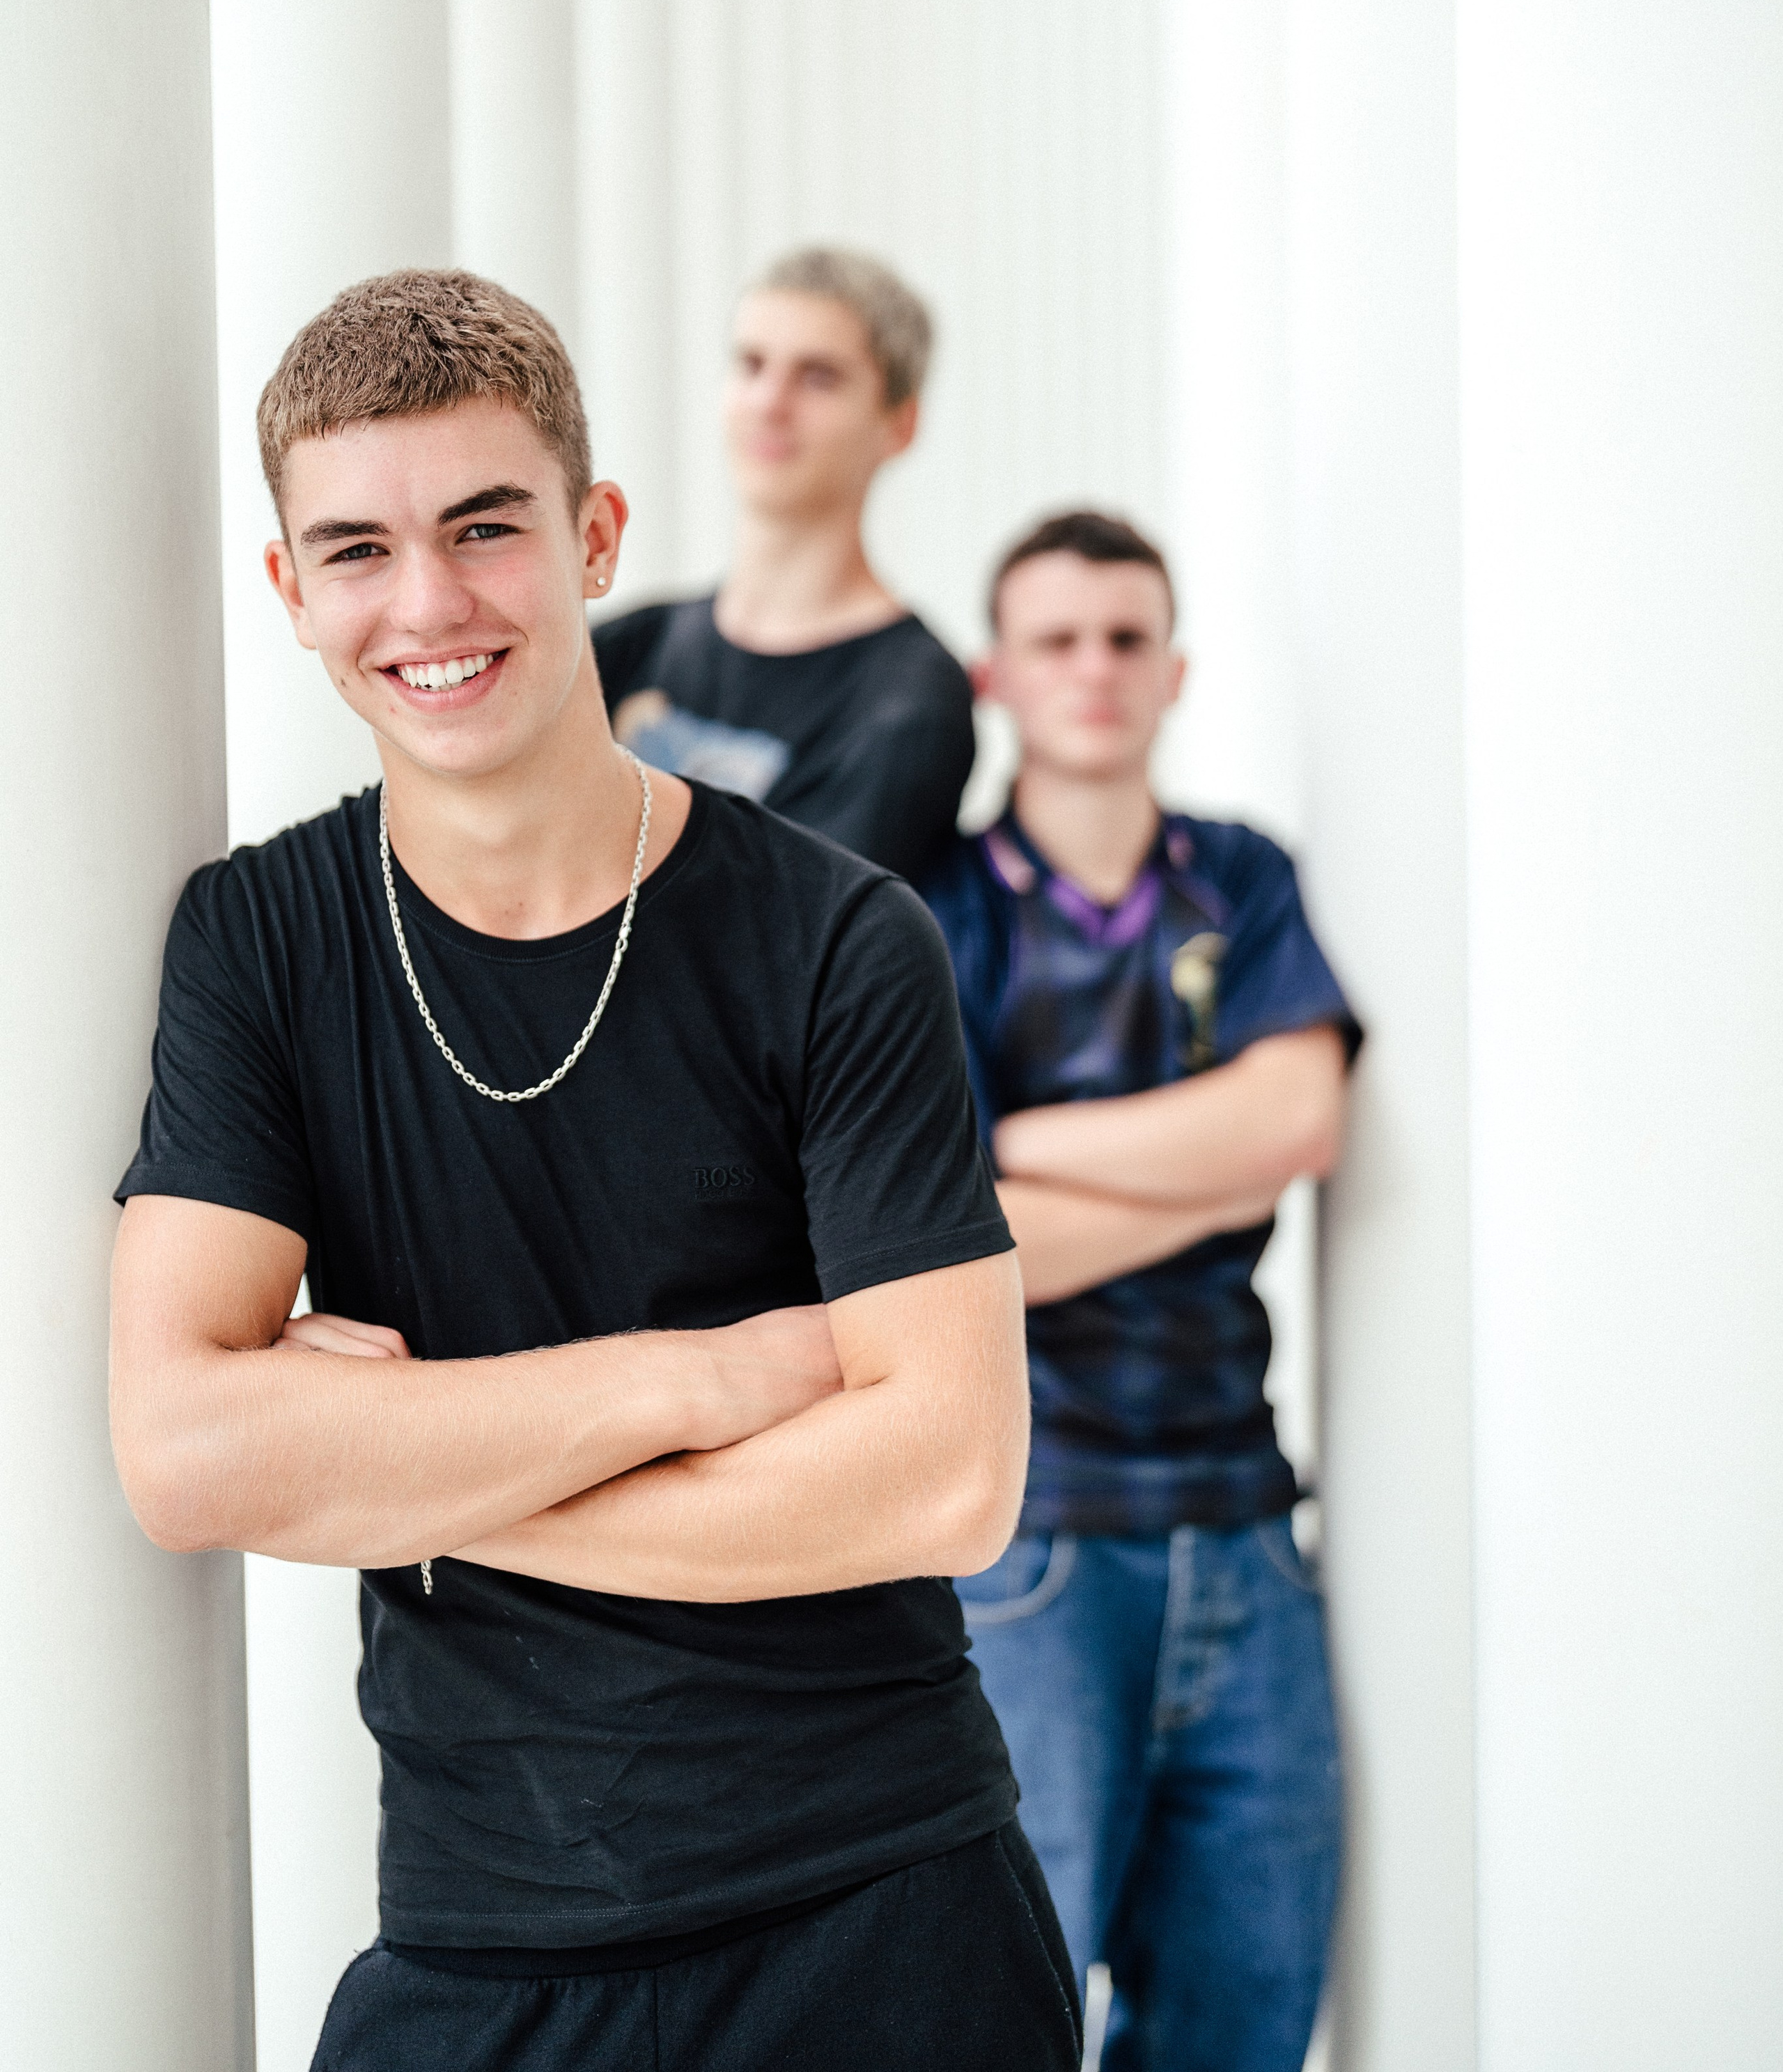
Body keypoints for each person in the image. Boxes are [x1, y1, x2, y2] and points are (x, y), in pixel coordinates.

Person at [108, 270, 1079, 2072]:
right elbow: (186, 1456)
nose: (428, 605)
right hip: (483, 1938)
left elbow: (944, 1479)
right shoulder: (260, 944)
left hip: (879, 1921)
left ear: (597, 534)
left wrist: (403, 1480)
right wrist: (698, 1383)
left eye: (488, 528)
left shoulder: (837, 940)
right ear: (290, 595)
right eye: (357, 552)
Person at [921, 508, 1361, 2072]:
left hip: (1245, 1529)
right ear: (995, 675)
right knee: (1011, 2023)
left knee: (1241, 2023)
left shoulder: (1238, 878)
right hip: (1028, 1548)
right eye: (1056, 640)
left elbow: (1297, 1121)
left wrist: (1032, 1144)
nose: (1093, 670)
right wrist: (1211, 1171)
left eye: (1124, 640)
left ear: (1172, 671)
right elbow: (950, 1249)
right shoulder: (931, 916)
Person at [592, 244, 974, 882]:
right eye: (751, 364)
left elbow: (783, 949)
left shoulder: (910, 703)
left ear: (898, 425)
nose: (770, 401)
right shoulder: (629, 644)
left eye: (819, 376)